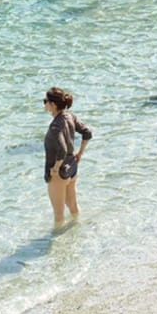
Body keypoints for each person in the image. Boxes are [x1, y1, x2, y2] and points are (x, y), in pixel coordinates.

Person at [42, 86, 92, 230]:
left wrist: (55, 168)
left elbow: (62, 149)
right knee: (73, 207)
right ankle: (77, 231)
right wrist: (80, 154)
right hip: (72, 168)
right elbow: (87, 132)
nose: (44, 103)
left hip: (59, 174)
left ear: (53, 105)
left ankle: (58, 248)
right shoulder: (70, 116)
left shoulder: (55, 127)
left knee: (58, 215)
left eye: (46, 100)